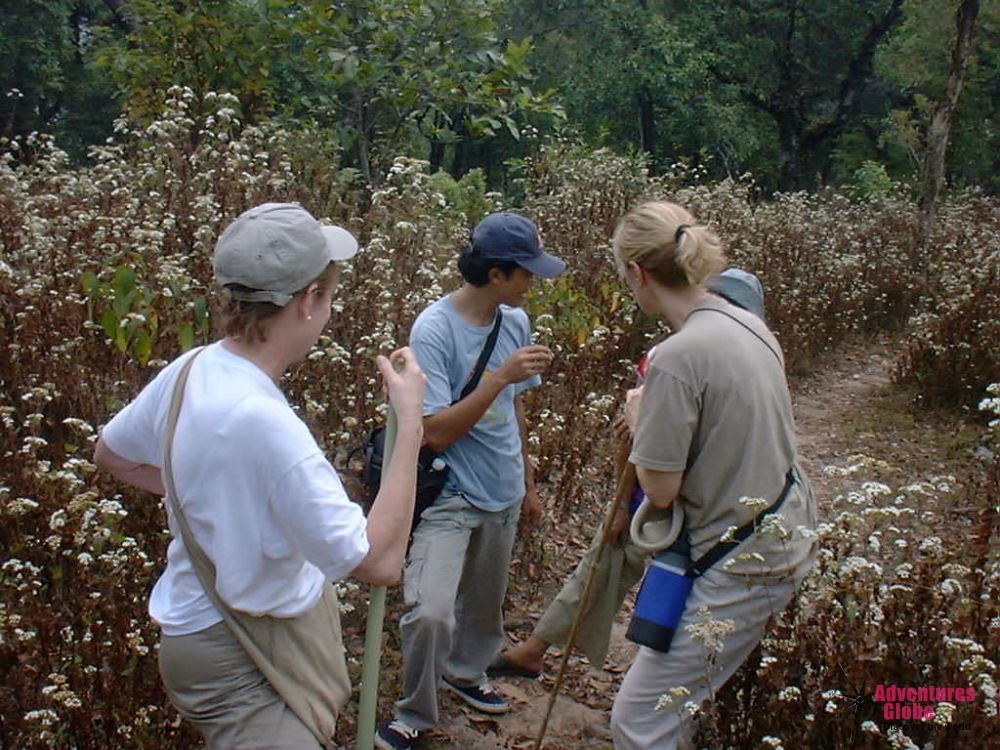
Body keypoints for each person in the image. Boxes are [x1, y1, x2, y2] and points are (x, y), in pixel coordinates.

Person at [94, 202, 427, 749]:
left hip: (193, 634)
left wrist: (223, 503)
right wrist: (411, 421)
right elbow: (380, 562)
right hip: (243, 656)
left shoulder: (191, 369)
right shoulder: (266, 423)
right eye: (329, 296)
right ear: (307, 301)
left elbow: (112, 453)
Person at [488, 268, 771, 681]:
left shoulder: (756, 363)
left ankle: (665, 678)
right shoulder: (670, 357)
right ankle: (535, 650)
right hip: (654, 495)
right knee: (602, 564)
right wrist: (622, 503)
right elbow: (632, 432)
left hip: (713, 508)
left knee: (691, 597)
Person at [606, 200, 817, 749]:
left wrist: (641, 418)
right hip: (780, 534)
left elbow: (659, 488)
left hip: (738, 562)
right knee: (675, 708)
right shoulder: (747, 322)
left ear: (637, 272)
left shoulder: (678, 356)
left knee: (638, 721)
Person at [376, 213, 566, 750]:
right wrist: (498, 376)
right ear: (498, 275)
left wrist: (528, 484)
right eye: (527, 274)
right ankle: (414, 711)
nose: (534, 284)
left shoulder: (515, 323)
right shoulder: (433, 329)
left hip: (502, 488)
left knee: (485, 604)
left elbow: (515, 409)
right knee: (432, 610)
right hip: (451, 490)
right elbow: (434, 430)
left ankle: (466, 673)